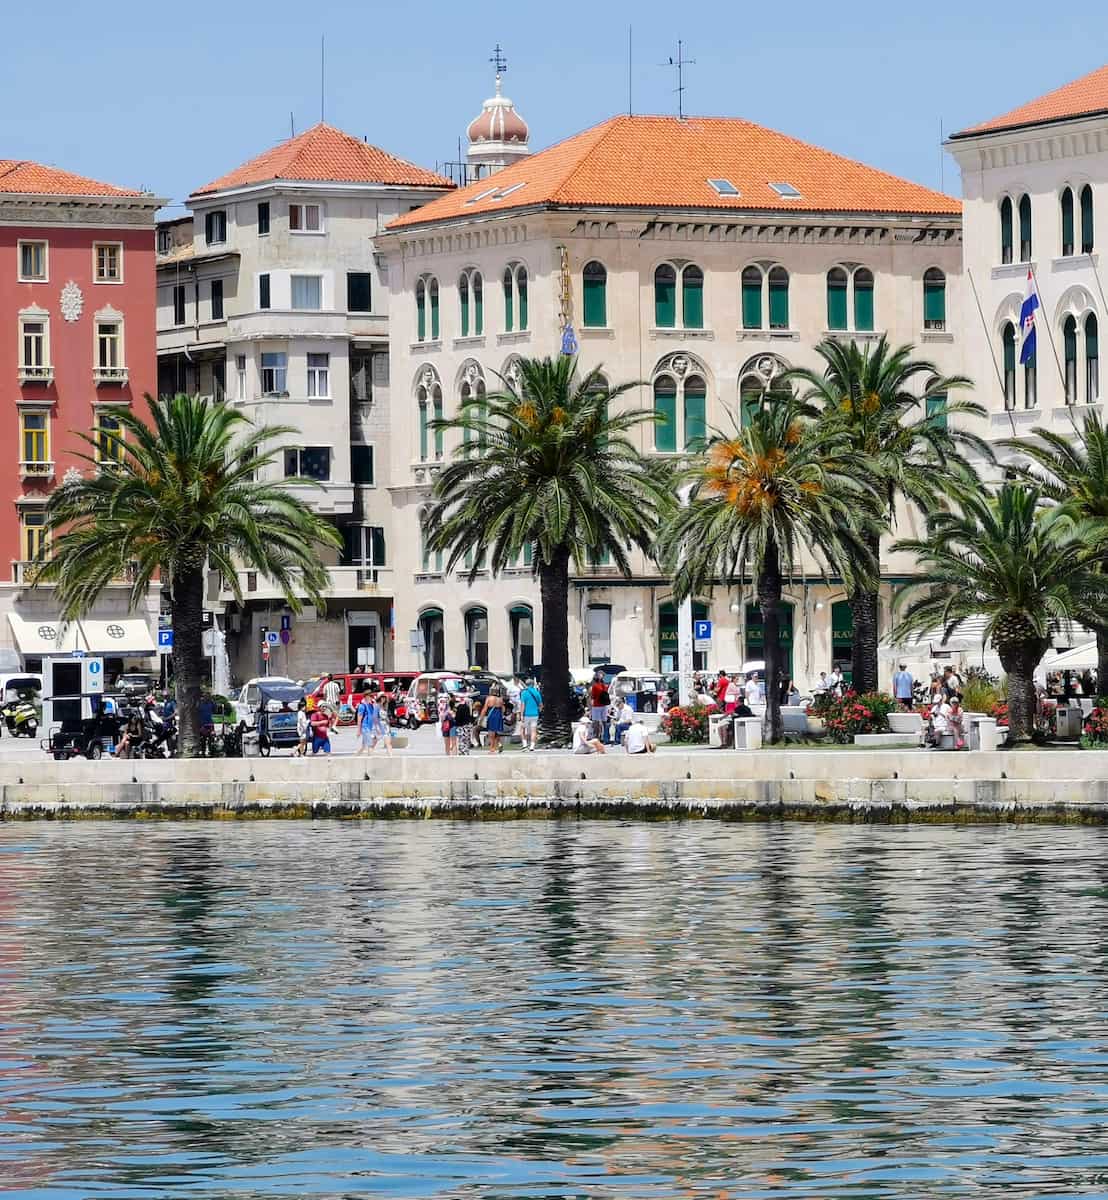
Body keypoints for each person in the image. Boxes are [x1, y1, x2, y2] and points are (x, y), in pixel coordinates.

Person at [479, 685, 505, 753]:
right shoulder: (500, 699)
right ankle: (499, 744)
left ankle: (492, 748)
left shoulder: (489, 698)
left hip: (492, 714)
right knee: (495, 731)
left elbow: (485, 709)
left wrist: (481, 717)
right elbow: (503, 709)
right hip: (498, 714)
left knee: (491, 732)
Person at [519, 678, 542, 751]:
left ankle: (525, 745)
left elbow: (523, 705)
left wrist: (521, 715)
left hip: (526, 714)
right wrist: (539, 711)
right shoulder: (536, 692)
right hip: (535, 714)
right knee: (533, 730)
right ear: (533, 684)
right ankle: (532, 746)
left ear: (526, 684)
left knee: (522, 729)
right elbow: (541, 705)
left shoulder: (524, 693)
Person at [589, 673, 610, 743]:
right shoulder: (604, 685)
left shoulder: (594, 686)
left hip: (597, 705)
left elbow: (593, 696)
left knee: (596, 723)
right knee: (604, 722)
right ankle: (605, 738)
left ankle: (596, 738)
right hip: (604, 705)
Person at [355, 691, 377, 756]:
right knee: (370, 744)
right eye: (370, 696)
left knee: (363, 746)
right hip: (365, 727)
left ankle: (356, 756)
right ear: (366, 696)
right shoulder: (362, 706)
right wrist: (359, 730)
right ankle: (370, 758)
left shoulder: (371, 705)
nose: (372, 698)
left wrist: (374, 704)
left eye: (372, 696)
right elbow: (359, 718)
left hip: (370, 727)